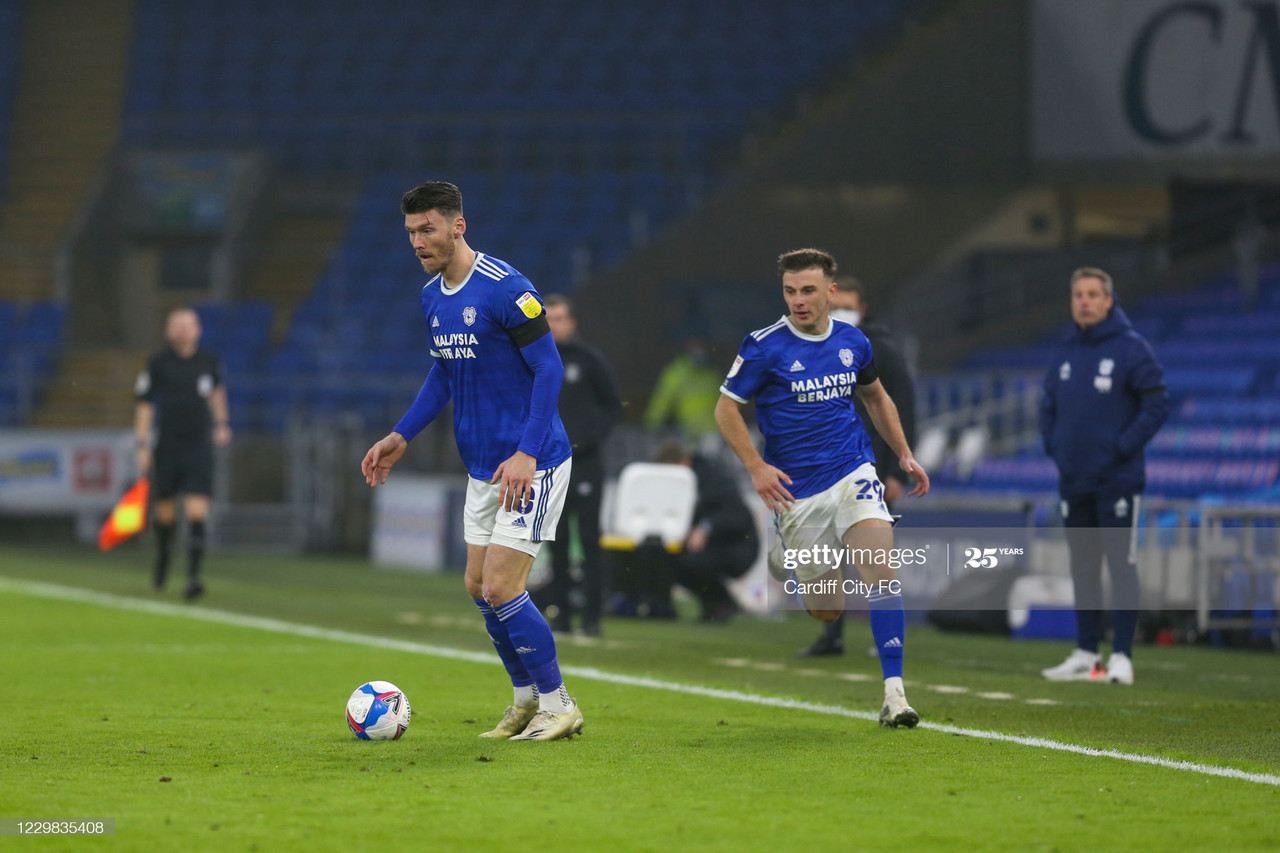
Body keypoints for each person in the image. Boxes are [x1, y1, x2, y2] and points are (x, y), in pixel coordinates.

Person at [361, 181, 582, 741]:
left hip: (532, 462)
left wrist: (528, 452)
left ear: (458, 225)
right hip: (483, 467)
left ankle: (561, 704)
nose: (417, 241)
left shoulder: (506, 288)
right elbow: (445, 373)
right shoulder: (433, 295)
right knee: (478, 586)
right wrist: (401, 434)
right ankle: (526, 699)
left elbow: (549, 369)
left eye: (427, 229)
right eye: (410, 232)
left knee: (504, 586)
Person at [716, 248, 930, 728]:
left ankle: (895, 695)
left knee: (881, 571)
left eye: (808, 290)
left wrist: (903, 453)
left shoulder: (854, 341)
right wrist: (756, 468)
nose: (798, 300)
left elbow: (876, 397)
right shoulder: (764, 346)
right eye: (790, 291)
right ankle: (787, 554)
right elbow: (726, 410)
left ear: (831, 291)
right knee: (828, 610)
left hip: (854, 468)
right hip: (798, 491)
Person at [1039, 267, 1170, 686]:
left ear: (1109, 300)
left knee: (1121, 565)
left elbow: (1157, 404)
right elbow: (1047, 407)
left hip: (1117, 481)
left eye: (1094, 294)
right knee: (1082, 566)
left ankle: (1122, 657)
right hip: (1073, 479)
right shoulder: (1064, 350)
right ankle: (1087, 652)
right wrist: (1055, 447)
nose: (1085, 301)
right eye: (1079, 294)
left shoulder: (1132, 349)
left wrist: (1121, 448)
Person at [799, 276, 918, 657]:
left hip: (871, 472)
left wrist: (898, 471)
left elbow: (900, 409)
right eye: (838, 307)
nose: (843, 313)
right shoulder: (814, 349)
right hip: (823, 471)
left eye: (849, 305)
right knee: (826, 559)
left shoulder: (880, 349)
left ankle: (885, 637)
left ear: (862, 309)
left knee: (873, 559)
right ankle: (830, 636)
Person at [134, 307, 231, 601]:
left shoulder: (208, 361)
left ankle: (193, 577)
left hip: (198, 445)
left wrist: (222, 424)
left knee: (197, 512)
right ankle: (163, 561)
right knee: (164, 515)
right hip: (168, 446)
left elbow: (217, 393)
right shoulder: (158, 363)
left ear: (198, 329)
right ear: (168, 330)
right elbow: (145, 403)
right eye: (177, 325)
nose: (183, 330)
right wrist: (142, 444)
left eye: (188, 325)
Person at [543, 294, 622, 636]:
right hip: (549, 466)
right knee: (555, 541)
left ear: (571, 323)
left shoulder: (589, 361)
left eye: (558, 319)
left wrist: (589, 441)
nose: (552, 326)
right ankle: (561, 616)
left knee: (590, 540)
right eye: (546, 320)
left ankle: (592, 618)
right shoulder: (534, 360)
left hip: (587, 465)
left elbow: (612, 406)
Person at [654, 440, 759, 622]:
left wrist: (706, 528)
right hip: (707, 546)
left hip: (736, 545)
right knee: (670, 562)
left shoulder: (713, 477)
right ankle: (713, 605)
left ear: (685, 463)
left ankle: (721, 603)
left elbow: (736, 514)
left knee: (691, 562)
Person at [643, 337, 724, 441]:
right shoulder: (677, 373)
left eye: (702, 348)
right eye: (695, 347)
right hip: (688, 431)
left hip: (712, 432)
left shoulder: (712, 374)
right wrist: (652, 423)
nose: (700, 352)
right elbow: (662, 400)